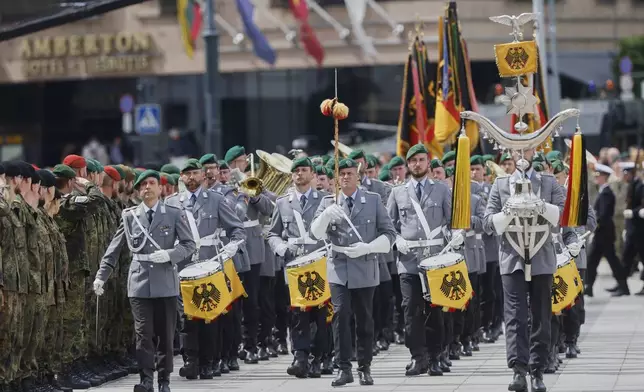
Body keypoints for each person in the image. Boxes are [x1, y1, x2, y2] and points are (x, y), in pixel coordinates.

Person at [93, 170, 196, 392]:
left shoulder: (174, 213)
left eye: (152, 183)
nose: (147, 187)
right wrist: (102, 275)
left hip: (166, 283)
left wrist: (170, 255)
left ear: (160, 188)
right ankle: (146, 380)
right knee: (143, 336)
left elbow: (189, 244)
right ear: (139, 191)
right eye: (143, 185)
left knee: (166, 336)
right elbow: (115, 248)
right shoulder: (129, 216)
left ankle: (164, 380)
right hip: (139, 283)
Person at [484, 148, 567, 392]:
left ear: (535, 150)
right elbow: (488, 223)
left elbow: (561, 217)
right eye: (515, 147)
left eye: (527, 146)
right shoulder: (500, 184)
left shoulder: (548, 182)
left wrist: (539, 205)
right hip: (512, 257)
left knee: (541, 315)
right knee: (514, 316)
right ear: (509, 150)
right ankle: (518, 370)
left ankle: (538, 369)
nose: (521, 151)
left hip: (541, 256)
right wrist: (507, 211)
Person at [310, 158, 396, 387]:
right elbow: (315, 234)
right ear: (336, 178)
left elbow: (389, 235)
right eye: (341, 174)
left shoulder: (373, 200)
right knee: (340, 316)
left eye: (349, 173)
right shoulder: (329, 201)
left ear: (357, 176)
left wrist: (368, 247)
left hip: (365, 265)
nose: (345, 177)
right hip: (339, 267)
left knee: (365, 320)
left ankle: (365, 367)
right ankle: (343, 368)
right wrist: (327, 215)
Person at [165, 159, 246, 380]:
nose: (191, 177)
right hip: (184, 266)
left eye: (194, 173)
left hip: (211, 263)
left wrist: (231, 247)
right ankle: (191, 359)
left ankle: (209, 361)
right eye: (186, 174)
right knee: (186, 316)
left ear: (203, 175)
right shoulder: (172, 202)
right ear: (181, 177)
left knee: (211, 315)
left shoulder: (216, 200)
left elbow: (237, 229)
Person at [386, 144, 458, 377]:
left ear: (428, 162)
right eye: (412, 160)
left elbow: (452, 220)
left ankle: (436, 356)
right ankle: (418, 356)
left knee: (435, 309)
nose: (417, 164)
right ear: (408, 165)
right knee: (410, 309)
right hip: (408, 260)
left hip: (436, 259)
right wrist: (397, 240)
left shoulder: (441, 190)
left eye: (421, 159)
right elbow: (388, 225)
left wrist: (456, 234)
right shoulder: (398, 192)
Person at [267, 157, 328, 378]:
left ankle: (317, 358)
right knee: (297, 314)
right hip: (293, 265)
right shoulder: (283, 202)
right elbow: (273, 233)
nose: (300, 174)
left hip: (319, 263)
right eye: (296, 171)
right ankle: (300, 357)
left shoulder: (324, 200)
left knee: (320, 316)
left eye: (304, 170)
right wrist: (281, 248)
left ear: (313, 174)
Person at [224, 146, 274, 363]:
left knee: (253, 300)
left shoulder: (254, 184)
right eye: (235, 163)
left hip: (252, 248)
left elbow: (269, 208)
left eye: (243, 161)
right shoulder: (223, 187)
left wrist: (250, 191)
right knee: (233, 301)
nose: (240, 166)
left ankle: (253, 344)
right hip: (230, 247)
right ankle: (233, 346)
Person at [586, 164, 622, 297]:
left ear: (604, 177)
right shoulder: (603, 191)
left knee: (610, 260)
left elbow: (603, 215)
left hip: (604, 233)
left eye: (599, 176)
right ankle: (589, 287)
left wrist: (594, 224)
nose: (597, 178)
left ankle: (623, 285)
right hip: (602, 233)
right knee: (593, 260)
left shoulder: (606, 193)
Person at [612, 162, 644, 296]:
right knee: (626, 258)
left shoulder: (641, 185)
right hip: (633, 230)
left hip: (640, 230)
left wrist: (634, 213)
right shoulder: (636, 184)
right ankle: (622, 285)